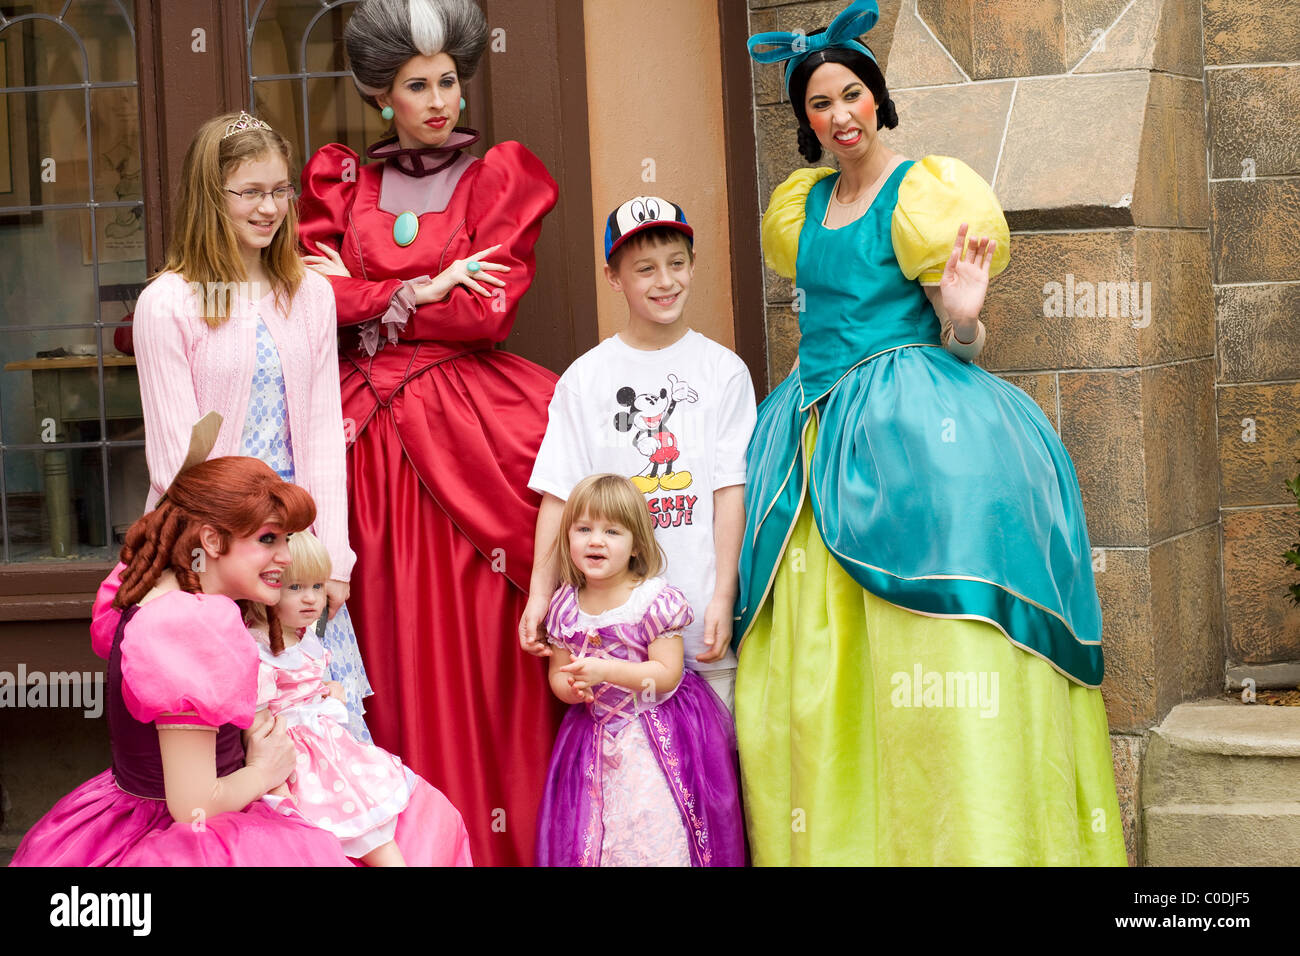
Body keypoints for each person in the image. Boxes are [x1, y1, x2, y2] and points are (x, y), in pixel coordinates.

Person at [736, 0, 1127, 865]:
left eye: (851, 96)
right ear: (804, 121)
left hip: (909, 418)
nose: (839, 116)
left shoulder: (925, 192)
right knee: (819, 647)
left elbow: (963, 336)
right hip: (803, 427)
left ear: (877, 98)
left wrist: (960, 318)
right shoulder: (799, 206)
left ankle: (968, 836)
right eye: (819, 104)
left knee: (933, 618)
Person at [295, 0, 564, 866]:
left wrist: (375, 297)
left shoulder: (501, 177)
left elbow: (487, 314)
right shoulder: (341, 182)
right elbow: (311, 301)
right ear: (382, 96)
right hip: (361, 452)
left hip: (468, 439)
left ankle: (498, 838)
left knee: (485, 645)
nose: (439, 98)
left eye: (449, 79)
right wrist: (422, 287)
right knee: (383, 640)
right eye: (417, 84)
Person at [130, 110, 373, 742]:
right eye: (250, 193)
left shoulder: (309, 296)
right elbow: (175, 464)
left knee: (319, 740)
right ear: (213, 197)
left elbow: (321, 432)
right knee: (241, 735)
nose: (270, 208)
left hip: (296, 547)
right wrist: (233, 558)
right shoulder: (169, 303)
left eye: (278, 191)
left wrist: (334, 559)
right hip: (211, 548)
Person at [10, 453, 353, 867]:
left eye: (287, 540)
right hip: (193, 842)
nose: (285, 556)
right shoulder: (190, 625)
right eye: (268, 539)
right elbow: (194, 807)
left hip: (121, 816)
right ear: (210, 541)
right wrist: (266, 770)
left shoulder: (144, 588)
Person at [521, 197, 756, 712]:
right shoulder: (586, 378)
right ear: (614, 277)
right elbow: (559, 495)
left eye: (676, 263)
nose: (665, 281)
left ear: (693, 265)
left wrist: (723, 594)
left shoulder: (724, 371)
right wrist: (540, 593)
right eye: (645, 269)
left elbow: (729, 490)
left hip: (699, 613)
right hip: (613, 633)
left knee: (712, 767)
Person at [535, 475, 745, 866]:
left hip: (655, 733)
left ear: (635, 546)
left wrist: (606, 671)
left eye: (612, 531)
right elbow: (558, 675)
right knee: (605, 834)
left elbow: (666, 674)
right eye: (583, 529)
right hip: (596, 737)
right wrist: (571, 686)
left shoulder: (652, 600)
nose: (595, 541)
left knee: (655, 824)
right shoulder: (564, 606)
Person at [250, 531, 472, 866]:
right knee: (350, 835)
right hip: (299, 763)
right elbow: (259, 729)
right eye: (295, 587)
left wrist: (329, 696)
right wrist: (277, 792)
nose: (310, 598)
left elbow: (315, 683)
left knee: (376, 823)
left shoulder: (305, 637)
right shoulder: (260, 652)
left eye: (317, 586)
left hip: (333, 751)